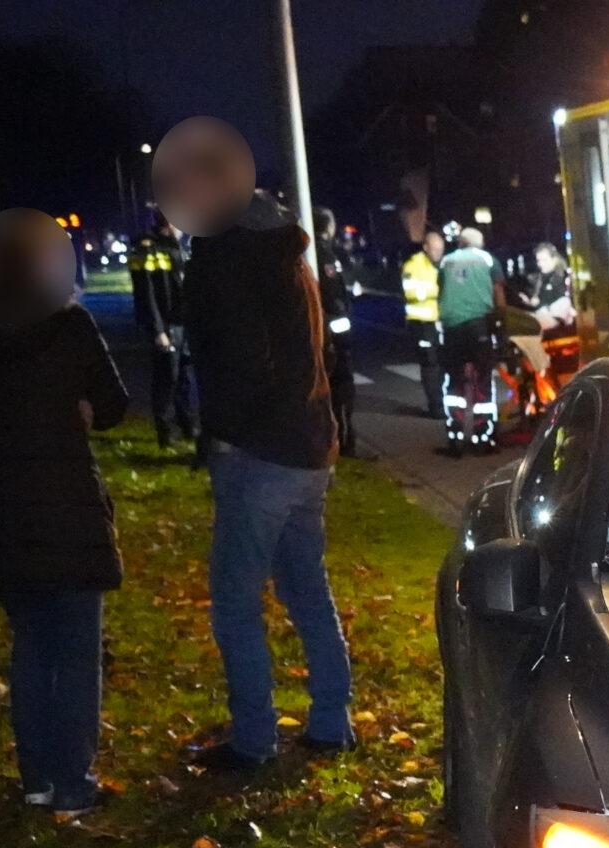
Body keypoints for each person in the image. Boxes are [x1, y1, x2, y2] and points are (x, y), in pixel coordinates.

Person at [155, 114, 352, 773]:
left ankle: (254, 738)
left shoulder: (227, 259)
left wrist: (229, 435)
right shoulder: (284, 252)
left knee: (236, 600)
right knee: (305, 587)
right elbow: (304, 353)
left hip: (260, 453)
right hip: (308, 447)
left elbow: (245, 361)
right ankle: (331, 722)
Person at [0, 208, 130, 815]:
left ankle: (36, 777)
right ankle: (73, 781)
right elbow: (115, 404)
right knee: (76, 648)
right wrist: (77, 405)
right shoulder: (70, 327)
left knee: (31, 645)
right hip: (66, 506)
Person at [129, 212, 197, 451]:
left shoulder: (181, 246)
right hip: (166, 325)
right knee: (167, 379)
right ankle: (165, 433)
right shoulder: (147, 247)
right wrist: (158, 330)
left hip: (183, 323)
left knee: (184, 378)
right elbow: (146, 295)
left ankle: (187, 425)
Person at [435, 227, 502, 452]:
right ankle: (483, 437)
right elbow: (498, 296)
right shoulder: (487, 260)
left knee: (454, 383)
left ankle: (455, 435)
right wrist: (501, 325)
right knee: (482, 381)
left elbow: (441, 291)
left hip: (452, 328)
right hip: (478, 326)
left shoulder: (446, 262)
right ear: (479, 243)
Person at [314, 208, 358, 457]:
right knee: (342, 384)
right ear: (328, 227)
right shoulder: (324, 254)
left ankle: (339, 437)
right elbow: (332, 294)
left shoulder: (314, 251)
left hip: (328, 328)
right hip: (335, 332)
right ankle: (344, 439)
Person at [401, 230, 444, 418]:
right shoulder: (413, 265)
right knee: (430, 365)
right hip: (421, 323)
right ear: (426, 247)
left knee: (441, 364)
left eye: (440, 249)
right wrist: (438, 289)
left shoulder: (441, 264)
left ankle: (443, 403)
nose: (438, 253)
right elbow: (412, 292)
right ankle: (435, 407)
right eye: (435, 249)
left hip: (438, 323)